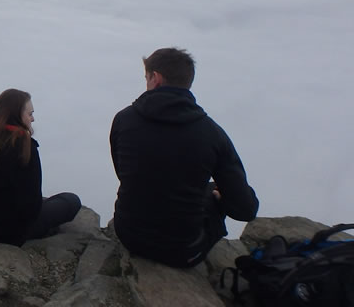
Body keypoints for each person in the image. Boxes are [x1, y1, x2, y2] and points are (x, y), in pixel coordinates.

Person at [110, 48, 259, 267]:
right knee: (213, 191)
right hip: (183, 252)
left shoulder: (124, 119)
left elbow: (123, 173)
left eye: (146, 78)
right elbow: (245, 210)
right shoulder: (212, 134)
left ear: (156, 78)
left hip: (129, 235)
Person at [0, 88, 81, 246]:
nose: (33, 119)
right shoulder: (24, 146)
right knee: (71, 201)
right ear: (17, 115)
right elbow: (31, 205)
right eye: (30, 114)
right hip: (6, 232)